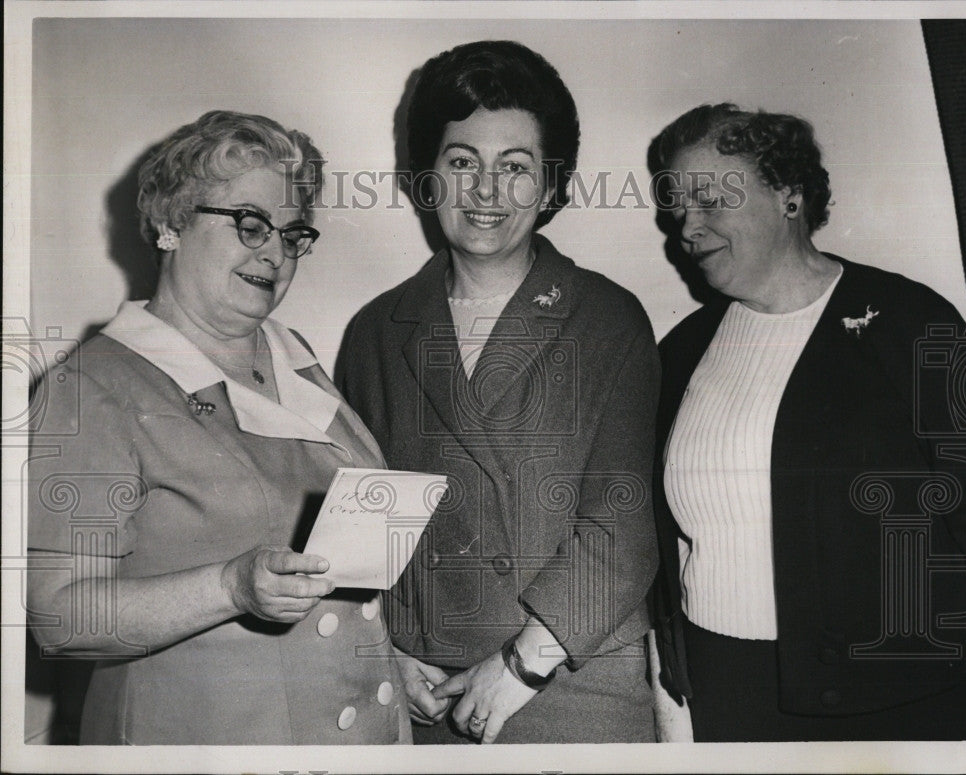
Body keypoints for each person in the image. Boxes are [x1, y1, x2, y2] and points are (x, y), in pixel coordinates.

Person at [26, 110, 410, 745]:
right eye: (250, 224)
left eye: (291, 235)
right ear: (170, 224)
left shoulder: (296, 355)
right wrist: (230, 587)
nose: (275, 253)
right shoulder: (90, 387)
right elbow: (59, 615)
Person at [338, 40, 660, 744]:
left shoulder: (606, 318)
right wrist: (386, 646)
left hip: (573, 677)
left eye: (515, 167)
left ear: (549, 187)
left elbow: (626, 526)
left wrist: (518, 665)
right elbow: (361, 526)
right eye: (462, 162)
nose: (486, 192)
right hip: (427, 687)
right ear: (428, 178)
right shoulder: (375, 330)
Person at [647, 103, 966, 741]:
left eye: (712, 198)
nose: (687, 226)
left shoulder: (907, 321)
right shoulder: (682, 349)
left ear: (789, 195)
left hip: (887, 703)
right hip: (723, 690)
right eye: (678, 206)